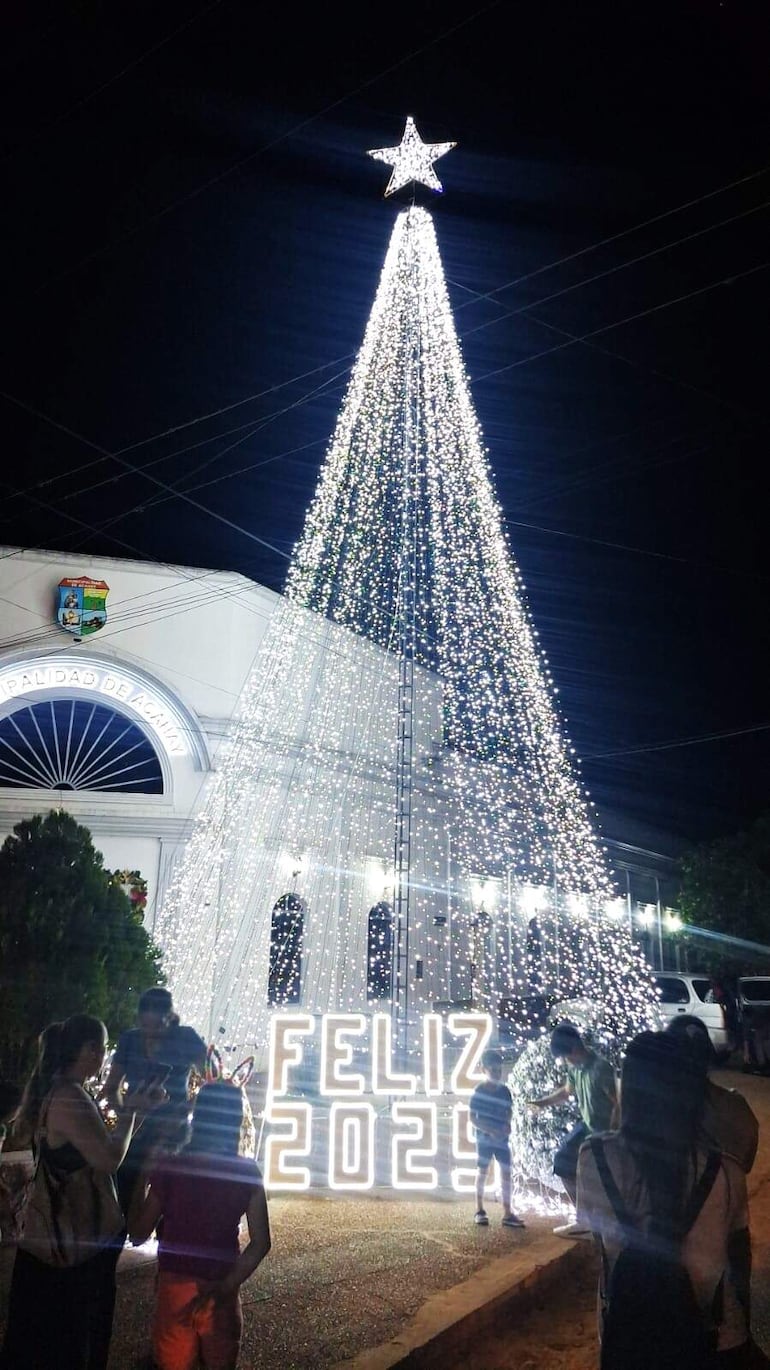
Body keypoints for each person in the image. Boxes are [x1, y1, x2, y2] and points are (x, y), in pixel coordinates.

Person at [577, 1030, 755, 1368]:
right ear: (691, 1093)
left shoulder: (593, 1157)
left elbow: (599, 1247)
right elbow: (738, 1263)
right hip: (710, 1339)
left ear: (627, 1088)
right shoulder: (727, 1172)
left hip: (627, 1336)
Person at [0, 1014, 163, 1370]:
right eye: (102, 1048)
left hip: (57, 1245)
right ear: (89, 1050)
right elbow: (107, 1159)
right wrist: (133, 1111)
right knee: (70, 1341)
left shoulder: (62, 1090)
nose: (104, 1056)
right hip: (71, 1248)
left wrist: (138, 1113)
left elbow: (99, 1149)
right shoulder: (70, 1097)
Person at [130, 1079, 271, 1370]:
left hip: (174, 1290)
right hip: (220, 1291)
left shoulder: (172, 1167)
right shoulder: (246, 1172)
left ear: (200, 1117)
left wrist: (144, 1174)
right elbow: (261, 1243)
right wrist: (227, 1287)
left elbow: (138, 1232)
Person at [102, 986, 207, 1219]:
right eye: (145, 1027)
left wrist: (188, 1107)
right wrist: (125, 1112)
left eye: (157, 1027)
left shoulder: (186, 1037)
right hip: (136, 1128)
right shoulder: (130, 1040)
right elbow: (112, 1086)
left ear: (169, 1019)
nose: (150, 1033)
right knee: (125, 1187)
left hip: (173, 1129)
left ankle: (165, 1236)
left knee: (169, 1192)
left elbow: (213, 1079)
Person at [529, 1021, 617, 1238]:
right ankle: (585, 1217)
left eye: (566, 1056)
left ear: (576, 1048)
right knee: (562, 1162)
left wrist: (613, 1133)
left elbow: (617, 1103)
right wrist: (541, 1103)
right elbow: (566, 1092)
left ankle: (593, 1219)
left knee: (592, 1173)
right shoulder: (574, 1067)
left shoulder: (601, 1068)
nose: (566, 1061)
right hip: (587, 1126)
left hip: (603, 1130)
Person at [469, 1047, 525, 1229]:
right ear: (483, 1070)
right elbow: (472, 1118)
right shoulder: (479, 1091)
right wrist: (490, 1130)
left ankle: (507, 1212)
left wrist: (507, 1125)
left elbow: (509, 1111)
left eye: (498, 1070)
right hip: (485, 1139)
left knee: (506, 1172)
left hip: (501, 1138)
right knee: (482, 1171)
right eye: (493, 1070)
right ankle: (479, 1209)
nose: (496, 1073)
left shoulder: (504, 1091)